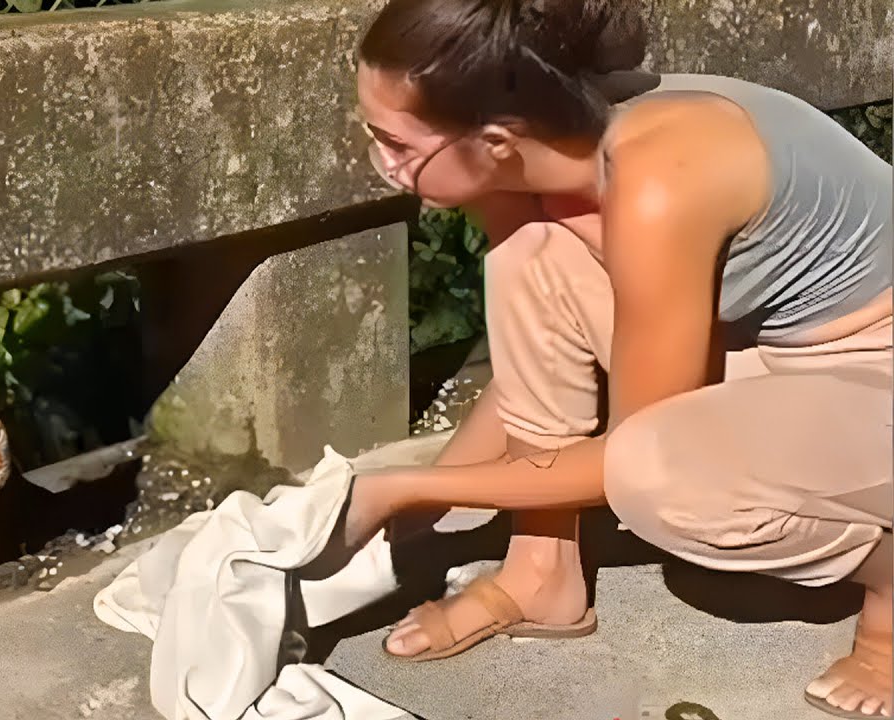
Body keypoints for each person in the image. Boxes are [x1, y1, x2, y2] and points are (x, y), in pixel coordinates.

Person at [335, 0, 893, 717]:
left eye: (397, 145)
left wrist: (400, 491)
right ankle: (542, 575)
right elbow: (531, 376)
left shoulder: (661, 176)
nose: (379, 163)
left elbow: (630, 450)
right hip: (797, 357)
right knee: (532, 251)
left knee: (663, 477)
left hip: (874, 371)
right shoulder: (562, 137)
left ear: (498, 140)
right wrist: (431, 493)